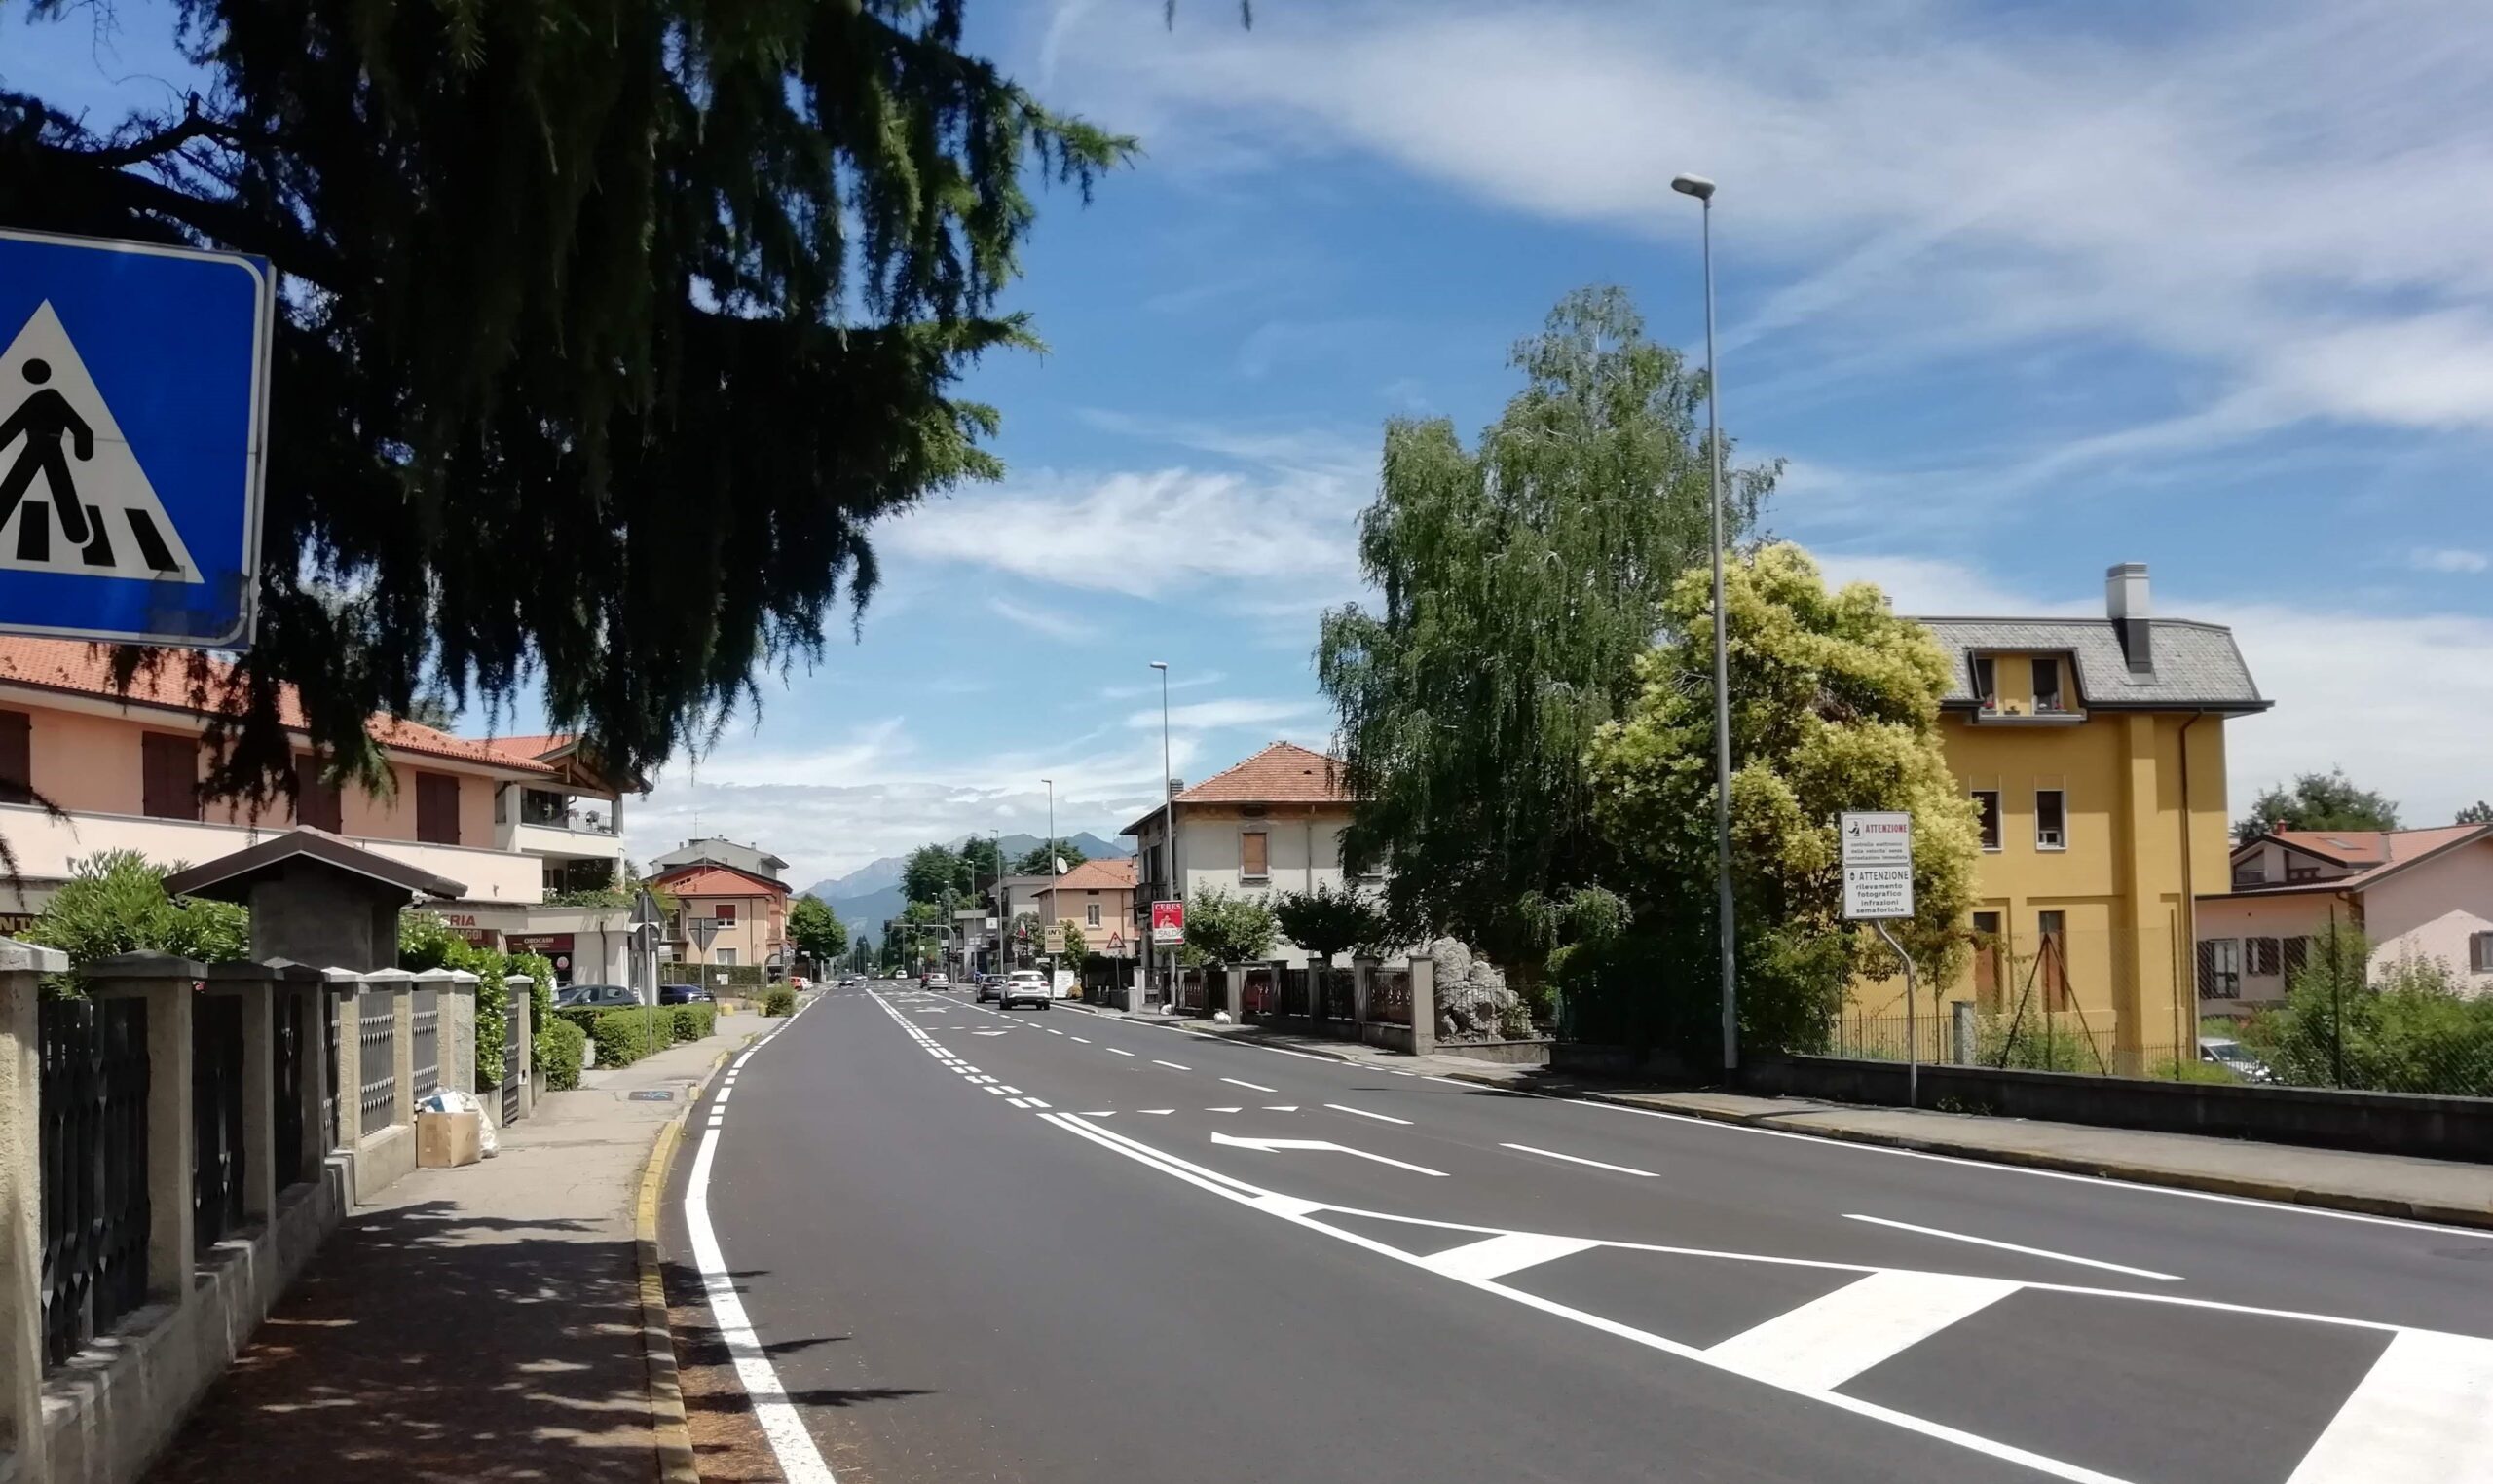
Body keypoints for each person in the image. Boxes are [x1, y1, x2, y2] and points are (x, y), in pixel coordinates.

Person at [0, 358, 96, 546]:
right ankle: (77, 532)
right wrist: (83, 448)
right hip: (42, 450)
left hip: (41, 450)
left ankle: (77, 533)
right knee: (57, 487)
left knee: (18, 485)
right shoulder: (46, 398)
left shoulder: (47, 398)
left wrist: (83, 447)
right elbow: (14, 425)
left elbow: (12, 426)